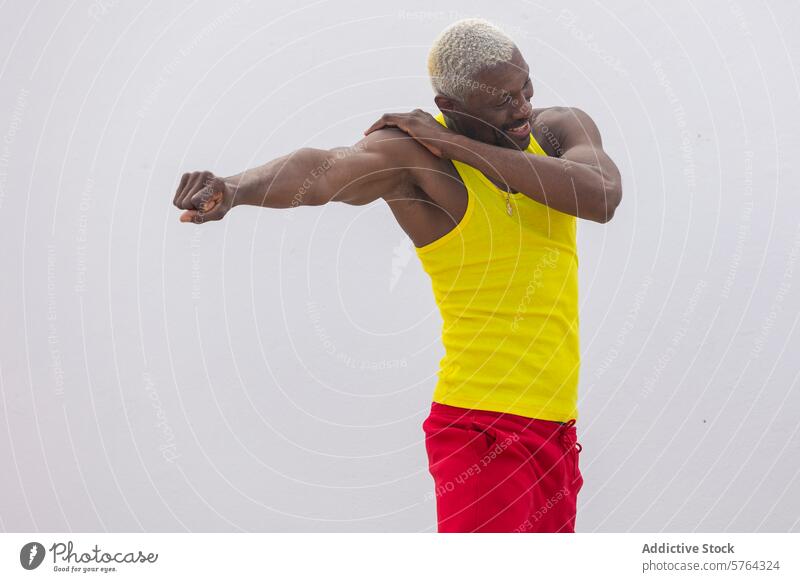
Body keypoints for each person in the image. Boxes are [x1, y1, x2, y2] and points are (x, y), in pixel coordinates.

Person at [172, 18, 622, 532]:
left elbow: (602, 196)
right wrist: (233, 188)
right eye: (502, 102)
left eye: (526, 88)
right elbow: (322, 170)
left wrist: (461, 146)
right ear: (449, 108)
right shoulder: (415, 156)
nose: (521, 108)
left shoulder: (558, 129)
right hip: (482, 430)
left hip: (555, 431)